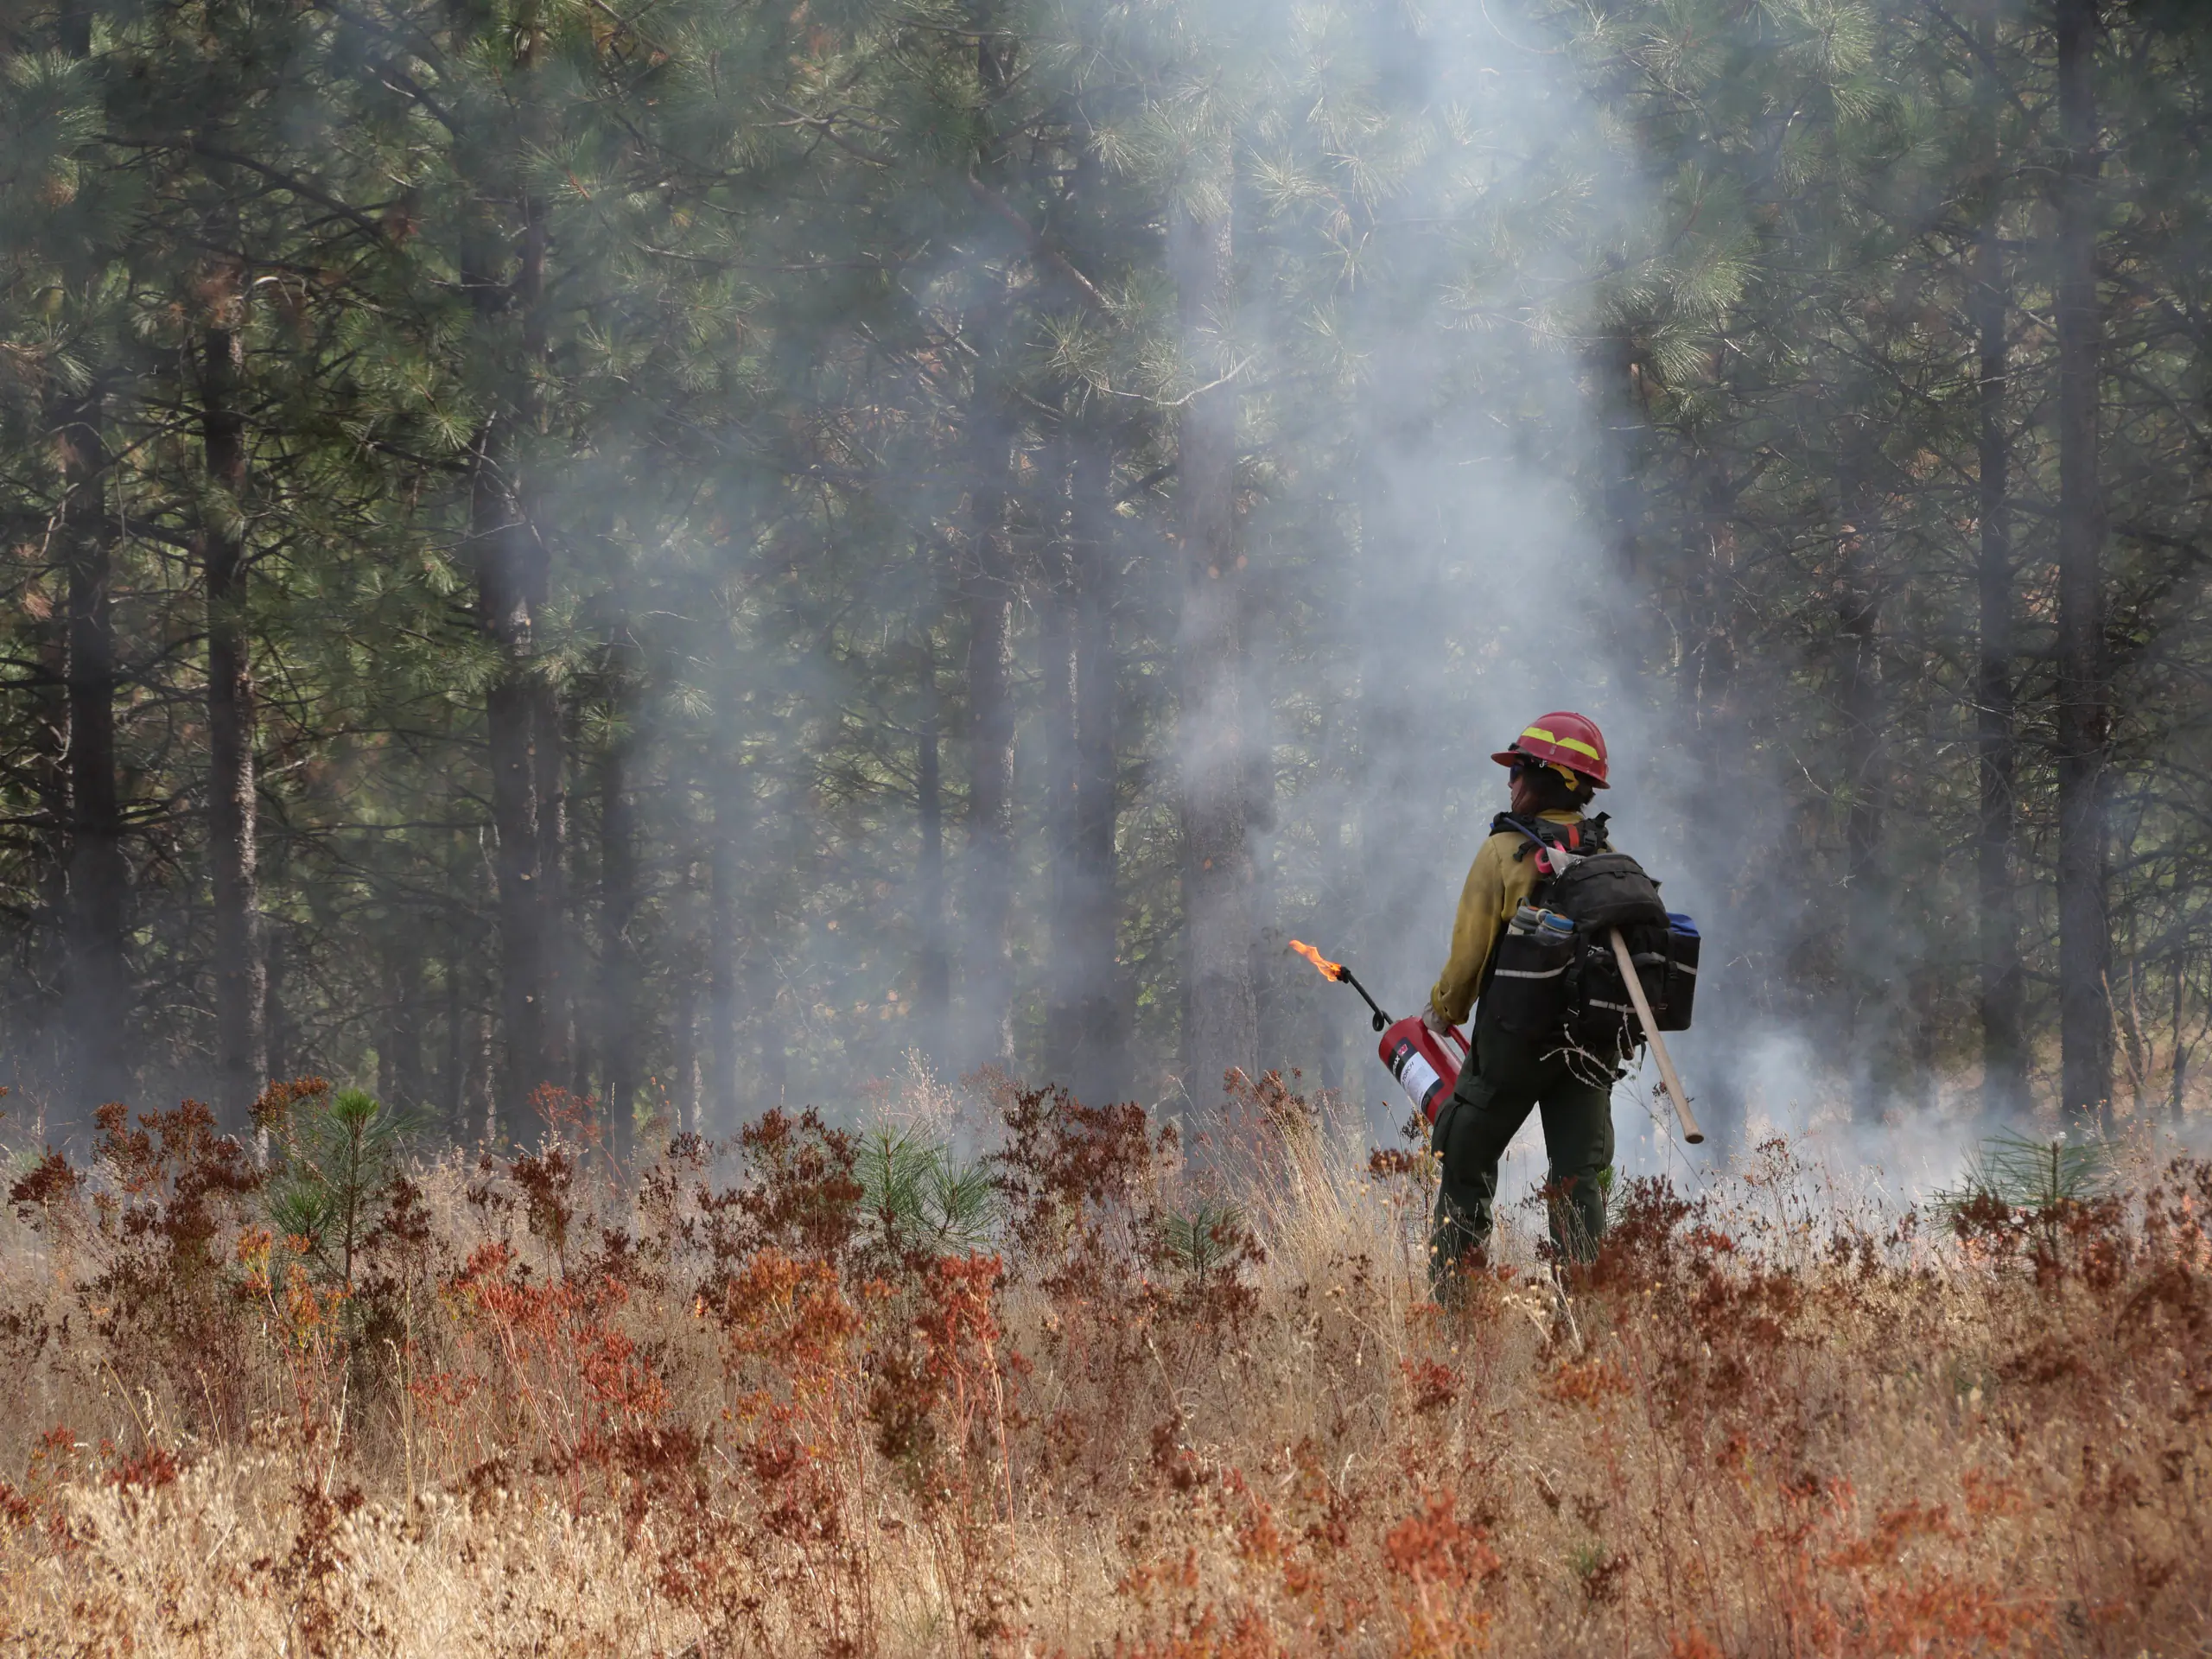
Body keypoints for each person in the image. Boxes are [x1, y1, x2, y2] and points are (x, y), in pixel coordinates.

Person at [1423, 712, 1616, 1294]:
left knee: (1464, 1160)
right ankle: (1583, 1320)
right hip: (1588, 1048)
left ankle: (1454, 1312)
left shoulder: (1504, 851)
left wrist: (1442, 1012)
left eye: (1517, 772)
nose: (1509, 784)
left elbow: (1469, 956)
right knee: (1579, 1181)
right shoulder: (1606, 854)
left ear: (1544, 778)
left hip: (1513, 1043)